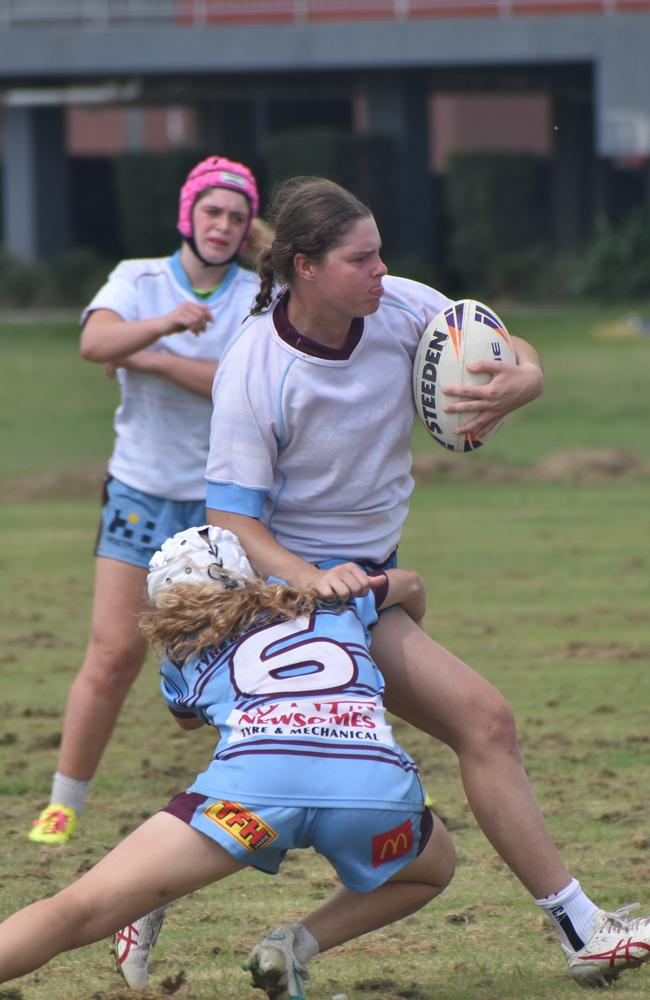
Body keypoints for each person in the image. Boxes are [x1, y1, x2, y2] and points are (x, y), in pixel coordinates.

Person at [200, 176, 650, 990]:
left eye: (381, 253)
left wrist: (527, 381)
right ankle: (582, 928)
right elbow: (232, 522)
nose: (383, 270)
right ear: (305, 267)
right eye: (361, 258)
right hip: (285, 599)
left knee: (447, 739)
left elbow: (507, 351)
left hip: (368, 585)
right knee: (464, 731)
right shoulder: (255, 368)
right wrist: (316, 579)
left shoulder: (401, 307)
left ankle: (180, 902)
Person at [0, 525, 456, 1000]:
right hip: (372, 793)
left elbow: (187, 722)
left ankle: (155, 888)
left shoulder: (182, 657)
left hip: (247, 805)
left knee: (78, 909)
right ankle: (295, 943)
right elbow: (412, 585)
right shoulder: (331, 600)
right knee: (433, 867)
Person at [28, 155, 270, 846]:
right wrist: (161, 325)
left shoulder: (258, 293)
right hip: (140, 493)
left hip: (225, 503)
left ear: (246, 225)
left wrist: (152, 358)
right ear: (186, 216)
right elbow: (94, 341)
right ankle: (63, 803)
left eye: (235, 216)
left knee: (244, 655)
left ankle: (272, 784)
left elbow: (237, 386)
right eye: (211, 212)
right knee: (111, 654)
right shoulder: (137, 279)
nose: (222, 226)